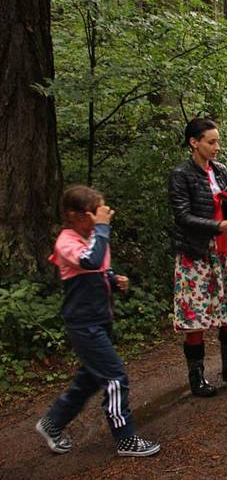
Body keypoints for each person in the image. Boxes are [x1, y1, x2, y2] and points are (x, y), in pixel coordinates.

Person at [36, 186, 160, 457]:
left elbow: (99, 269)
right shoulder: (66, 241)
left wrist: (114, 280)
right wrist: (102, 228)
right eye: (94, 213)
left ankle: (51, 423)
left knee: (90, 379)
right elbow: (89, 261)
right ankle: (126, 438)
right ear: (73, 215)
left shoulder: (94, 236)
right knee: (115, 378)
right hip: (83, 323)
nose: (100, 218)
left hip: (100, 319)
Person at [168, 118, 227, 398]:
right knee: (196, 317)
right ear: (194, 143)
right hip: (196, 254)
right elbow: (182, 216)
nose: (217, 147)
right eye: (211, 141)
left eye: (218, 141)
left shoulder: (221, 171)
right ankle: (197, 376)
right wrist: (219, 226)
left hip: (226, 250)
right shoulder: (181, 174)